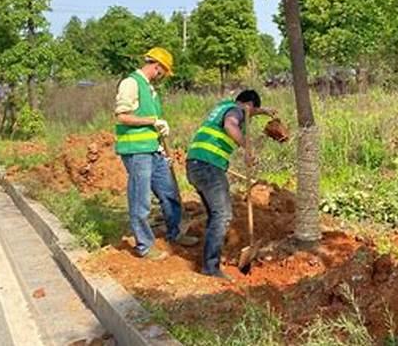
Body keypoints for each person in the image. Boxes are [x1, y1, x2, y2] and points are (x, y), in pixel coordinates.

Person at [115, 48, 198, 261]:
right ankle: (144, 245)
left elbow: (152, 120)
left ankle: (175, 233)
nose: (162, 77)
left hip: (153, 150)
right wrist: (153, 121)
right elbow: (122, 117)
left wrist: (160, 140)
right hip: (136, 151)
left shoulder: (151, 89)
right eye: (163, 72)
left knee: (169, 193)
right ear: (157, 66)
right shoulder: (131, 83)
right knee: (140, 199)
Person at [186, 89, 277, 279]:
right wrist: (248, 148)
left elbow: (246, 111)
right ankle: (210, 267)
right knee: (223, 215)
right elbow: (230, 125)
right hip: (208, 166)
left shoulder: (223, 107)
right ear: (247, 105)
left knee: (215, 214)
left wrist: (264, 111)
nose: (249, 118)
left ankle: (208, 261)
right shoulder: (235, 111)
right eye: (251, 113)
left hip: (195, 165)